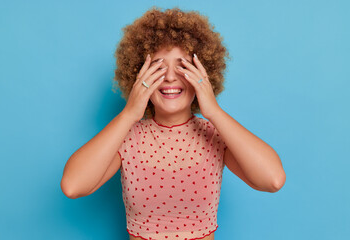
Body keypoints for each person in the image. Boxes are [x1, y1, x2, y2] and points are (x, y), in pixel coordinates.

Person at [61, 6, 286, 240]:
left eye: (182, 66)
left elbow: (273, 180)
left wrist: (214, 112)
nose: (169, 77)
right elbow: (73, 186)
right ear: (139, 75)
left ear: (204, 74)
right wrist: (128, 114)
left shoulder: (215, 136)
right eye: (157, 67)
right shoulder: (127, 137)